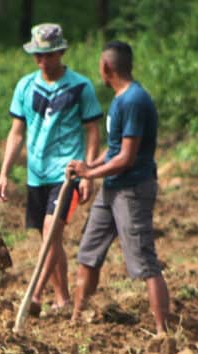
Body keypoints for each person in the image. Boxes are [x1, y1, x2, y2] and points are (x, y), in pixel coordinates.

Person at [0, 23, 102, 318]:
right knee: (49, 240)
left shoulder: (81, 86)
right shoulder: (25, 86)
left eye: (49, 55)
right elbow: (17, 132)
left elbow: (93, 131)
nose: (43, 61)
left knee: (50, 232)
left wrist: (89, 172)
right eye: (38, 56)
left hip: (67, 173)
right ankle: (62, 298)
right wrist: (4, 172)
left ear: (61, 52)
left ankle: (36, 293)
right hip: (36, 172)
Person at [67, 40, 169, 335]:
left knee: (143, 258)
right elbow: (112, 152)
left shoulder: (135, 100)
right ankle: (76, 319)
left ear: (106, 67)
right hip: (112, 188)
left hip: (132, 189)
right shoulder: (119, 99)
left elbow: (126, 158)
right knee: (88, 252)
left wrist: (91, 172)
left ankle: (163, 330)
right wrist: (87, 168)